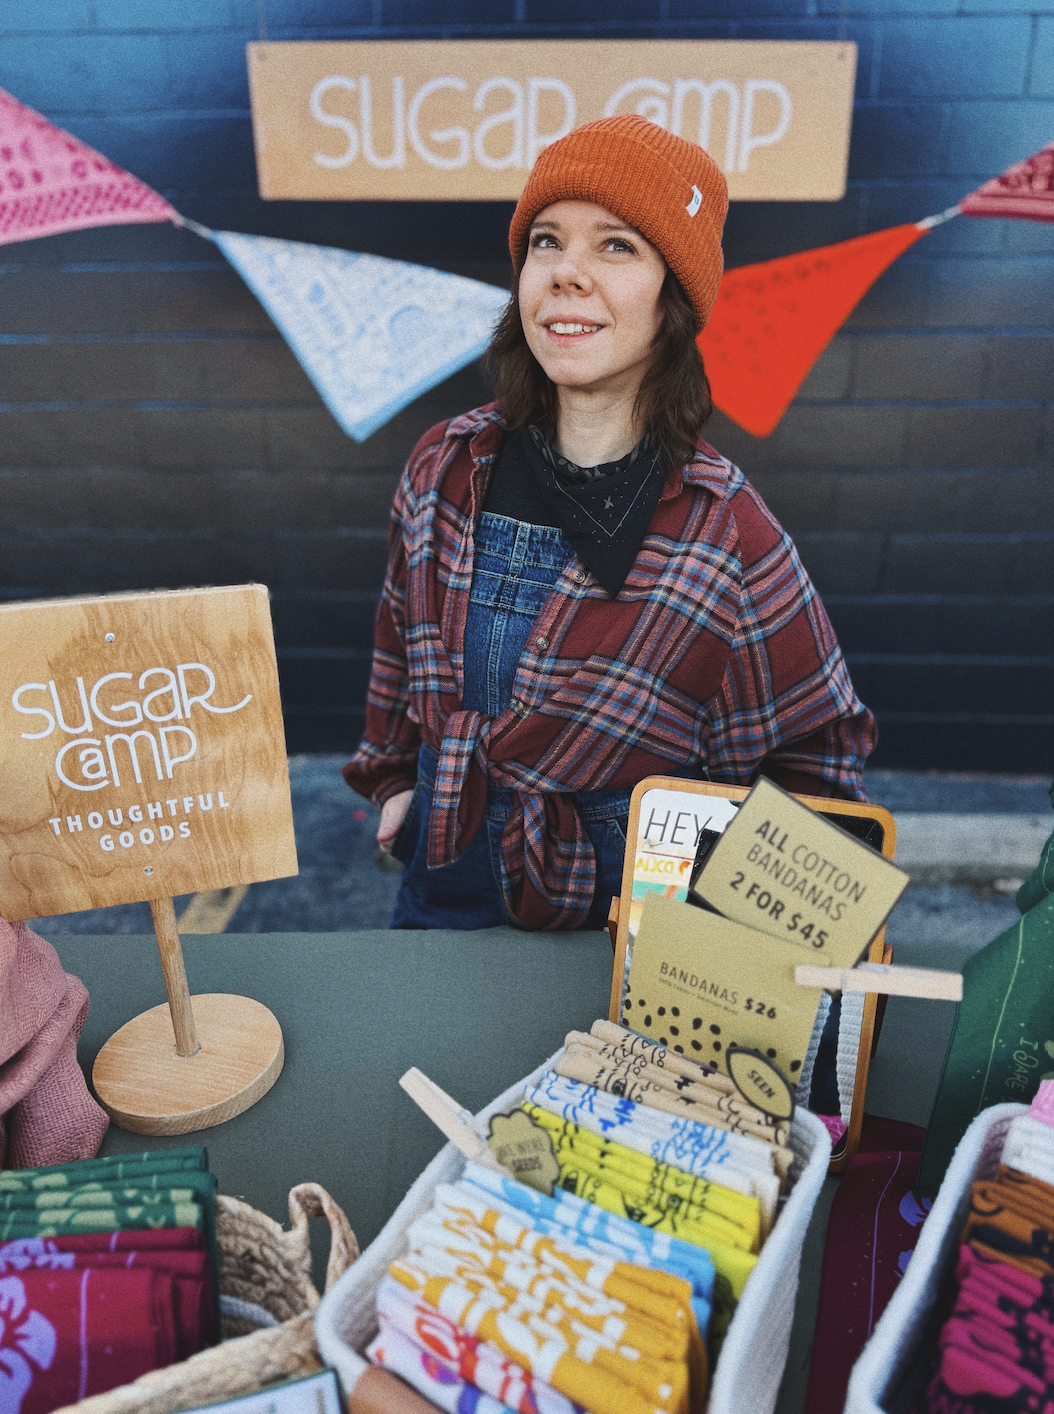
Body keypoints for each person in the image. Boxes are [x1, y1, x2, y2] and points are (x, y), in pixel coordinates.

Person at [344, 114, 876, 933]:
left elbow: (817, 762)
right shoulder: (445, 466)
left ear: (674, 301)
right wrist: (397, 777)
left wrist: (719, 941)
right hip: (443, 872)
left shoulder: (726, 531)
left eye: (617, 246)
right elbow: (395, 635)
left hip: (621, 917)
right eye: (547, 242)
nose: (566, 274)